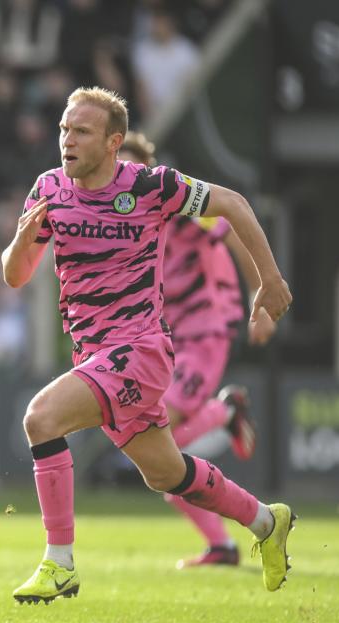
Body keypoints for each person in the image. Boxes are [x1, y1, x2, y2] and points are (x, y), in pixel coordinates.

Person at [2, 86, 294, 605]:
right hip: (94, 355)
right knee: (168, 473)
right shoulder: (49, 188)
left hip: (139, 352)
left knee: (40, 418)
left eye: (82, 131)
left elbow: (232, 203)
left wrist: (267, 282)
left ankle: (59, 562)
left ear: (114, 142)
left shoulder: (152, 186)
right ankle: (267, 521)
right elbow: (16, 277)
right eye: (64, 129)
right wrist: (21, 244)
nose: (67, 139)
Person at [118, 132, 276, 568]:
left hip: (207, 330)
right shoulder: (117, 216)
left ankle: (226, 411)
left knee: (163, 438)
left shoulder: (174, 201)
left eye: (131, 165)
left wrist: (258, 299)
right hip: (165, 339)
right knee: (168, 464)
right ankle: (222, 547)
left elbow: (234, 234)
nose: (124, 175)